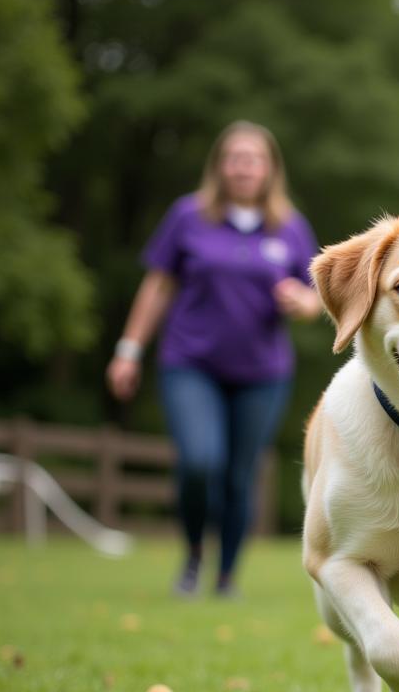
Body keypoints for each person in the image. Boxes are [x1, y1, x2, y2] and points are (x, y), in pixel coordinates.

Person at [106, 121, 321, 596]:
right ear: (220, 166)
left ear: (269, 169)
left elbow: (316, 297)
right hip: (191, 363)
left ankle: (226, 577)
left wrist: (300, 303)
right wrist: (129, 350)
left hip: (262, 373)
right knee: (200, 462)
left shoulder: (290, 227)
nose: (244, 167)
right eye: (235, 158)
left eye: (254, 158)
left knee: (240, 476)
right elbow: (158, 285)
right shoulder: (188, 217)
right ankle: (192, 556)